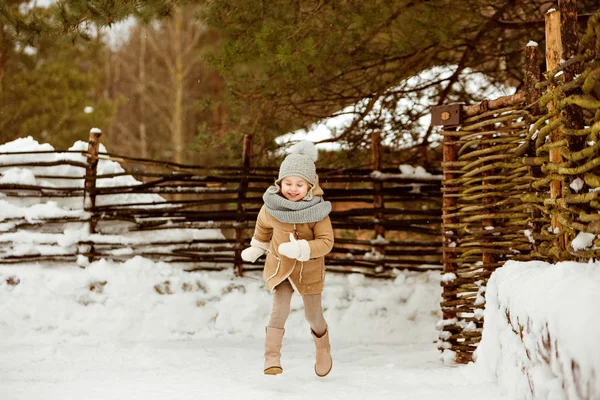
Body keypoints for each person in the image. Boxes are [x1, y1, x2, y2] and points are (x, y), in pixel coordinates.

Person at [241, 141, 334, 378]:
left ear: (310, 186)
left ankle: (323, 349)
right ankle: (272, 358)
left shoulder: (319, 212)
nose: (293, 188)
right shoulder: (270, 207)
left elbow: (326, 242)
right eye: (288, 183)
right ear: (279, 183)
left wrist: (303, 248)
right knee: (279, 310)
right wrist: (257, 247)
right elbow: (262, 228)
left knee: (312, 316)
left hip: (309, 271)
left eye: (299, 184)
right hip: (280, 267)